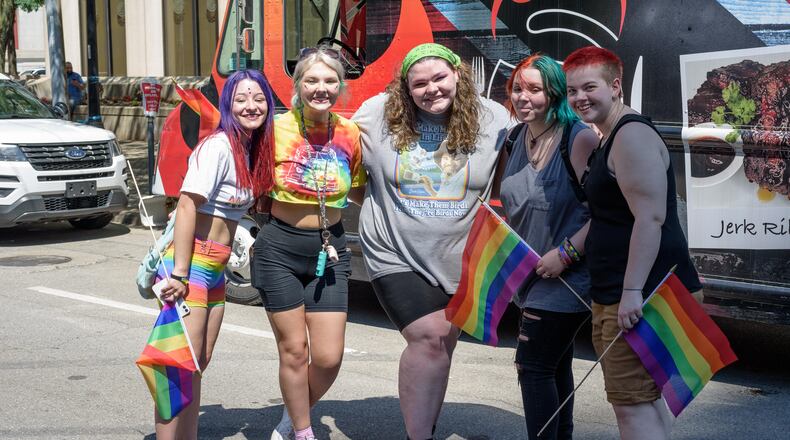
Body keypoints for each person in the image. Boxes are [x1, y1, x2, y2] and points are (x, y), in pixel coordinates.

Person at [352, 43, 510, 440]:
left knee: (442, 348)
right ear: (405, 88)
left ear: (457, 73)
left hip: (461, 255)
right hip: (394, 252)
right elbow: (346, 165)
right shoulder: (376, 114)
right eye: (419, 83)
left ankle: (425, 426)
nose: (431, 89)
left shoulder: (495, 119)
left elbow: (513, 178)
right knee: (431, 338)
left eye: (439, 78)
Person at [563, 46, 702, 440]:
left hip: (644, 294)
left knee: (631, 407)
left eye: (589, 87)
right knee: (646, 402)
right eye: (572, 91)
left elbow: (651, 218)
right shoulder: (608, 137)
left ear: (616, 86)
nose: (579, 98)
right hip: (623, 291)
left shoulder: (631, 136)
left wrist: (631, 292)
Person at [154, 69, 276, 439]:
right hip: (191, 265)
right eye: (241, 99)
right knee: (176, 366)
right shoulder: (219, 146)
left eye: (258, 99)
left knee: (198, 362)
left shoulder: (253, 149)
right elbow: (188, 205)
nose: (250, 106)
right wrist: (178, 272)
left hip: (217, 267)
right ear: (228, 105)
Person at [250, 46, 365, 440]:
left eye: (330, 81)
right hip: (279, 247)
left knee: (329, 357)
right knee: (295, 351)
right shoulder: (275, 129)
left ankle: (292, 412)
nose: (321, 88)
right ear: (298, 85)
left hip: (329, 248)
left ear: (341, 86)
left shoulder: (349, 133)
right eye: (312, 80)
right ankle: (302, 430)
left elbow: (361, 189)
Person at [499, 53, 599, 439]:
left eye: (535, 89)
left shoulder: (579, 138)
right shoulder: (515, 137)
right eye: (518, 88)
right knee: (555, 365)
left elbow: (606, 212)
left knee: (533, 366)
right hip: (529, 276)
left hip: (570, 278)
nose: (523, 97)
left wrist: (566, 253)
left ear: (555, 92)